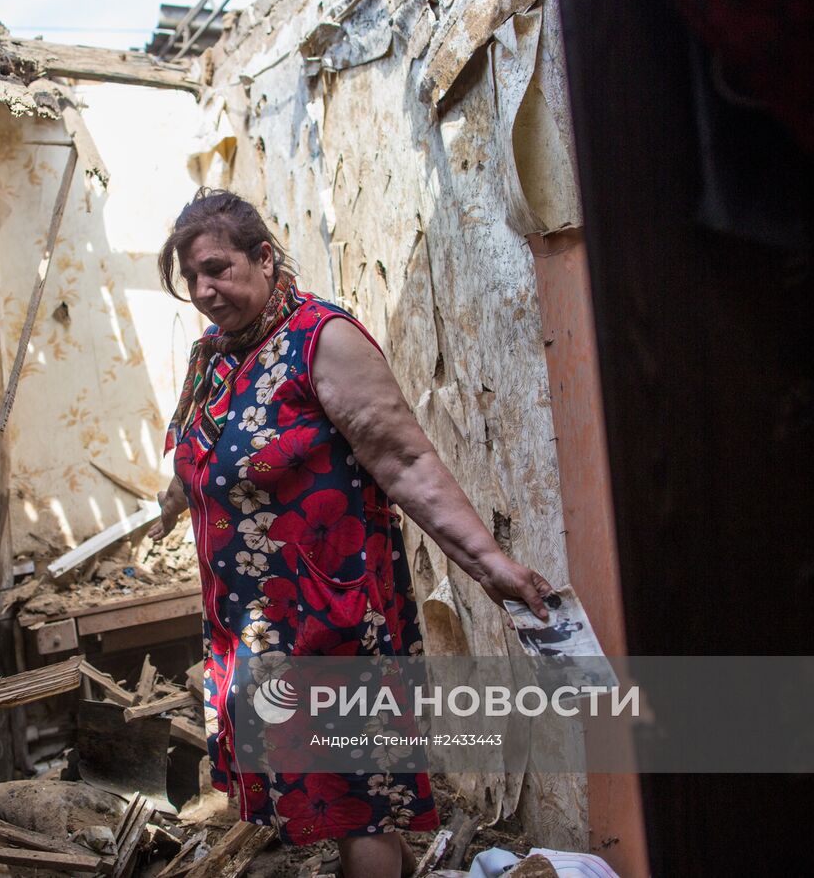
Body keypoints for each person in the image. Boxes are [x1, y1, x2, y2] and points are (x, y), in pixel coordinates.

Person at [148, 189, 552, 878]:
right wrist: (175, 495)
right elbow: (203, 455)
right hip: (253, 628)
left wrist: (491, 565)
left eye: (216, 268)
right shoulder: (214, 356)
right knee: (349, 805)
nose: (203, 290)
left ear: (265, 258)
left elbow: (408, 462)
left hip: (328, 622)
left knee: (354, 798)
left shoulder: (322, 339)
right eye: (191, 278)